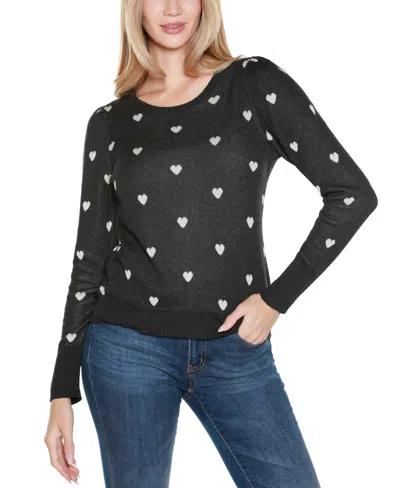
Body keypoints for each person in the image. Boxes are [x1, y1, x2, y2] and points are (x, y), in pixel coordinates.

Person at [44, 0, 378, 486]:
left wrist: (276, 299)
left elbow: (352, 194)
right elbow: (89, 255)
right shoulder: (109, 122)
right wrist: (61, 390)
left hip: (236, 347)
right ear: (136, 8)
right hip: (125, 350)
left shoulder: (253, 83)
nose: (173, 8)